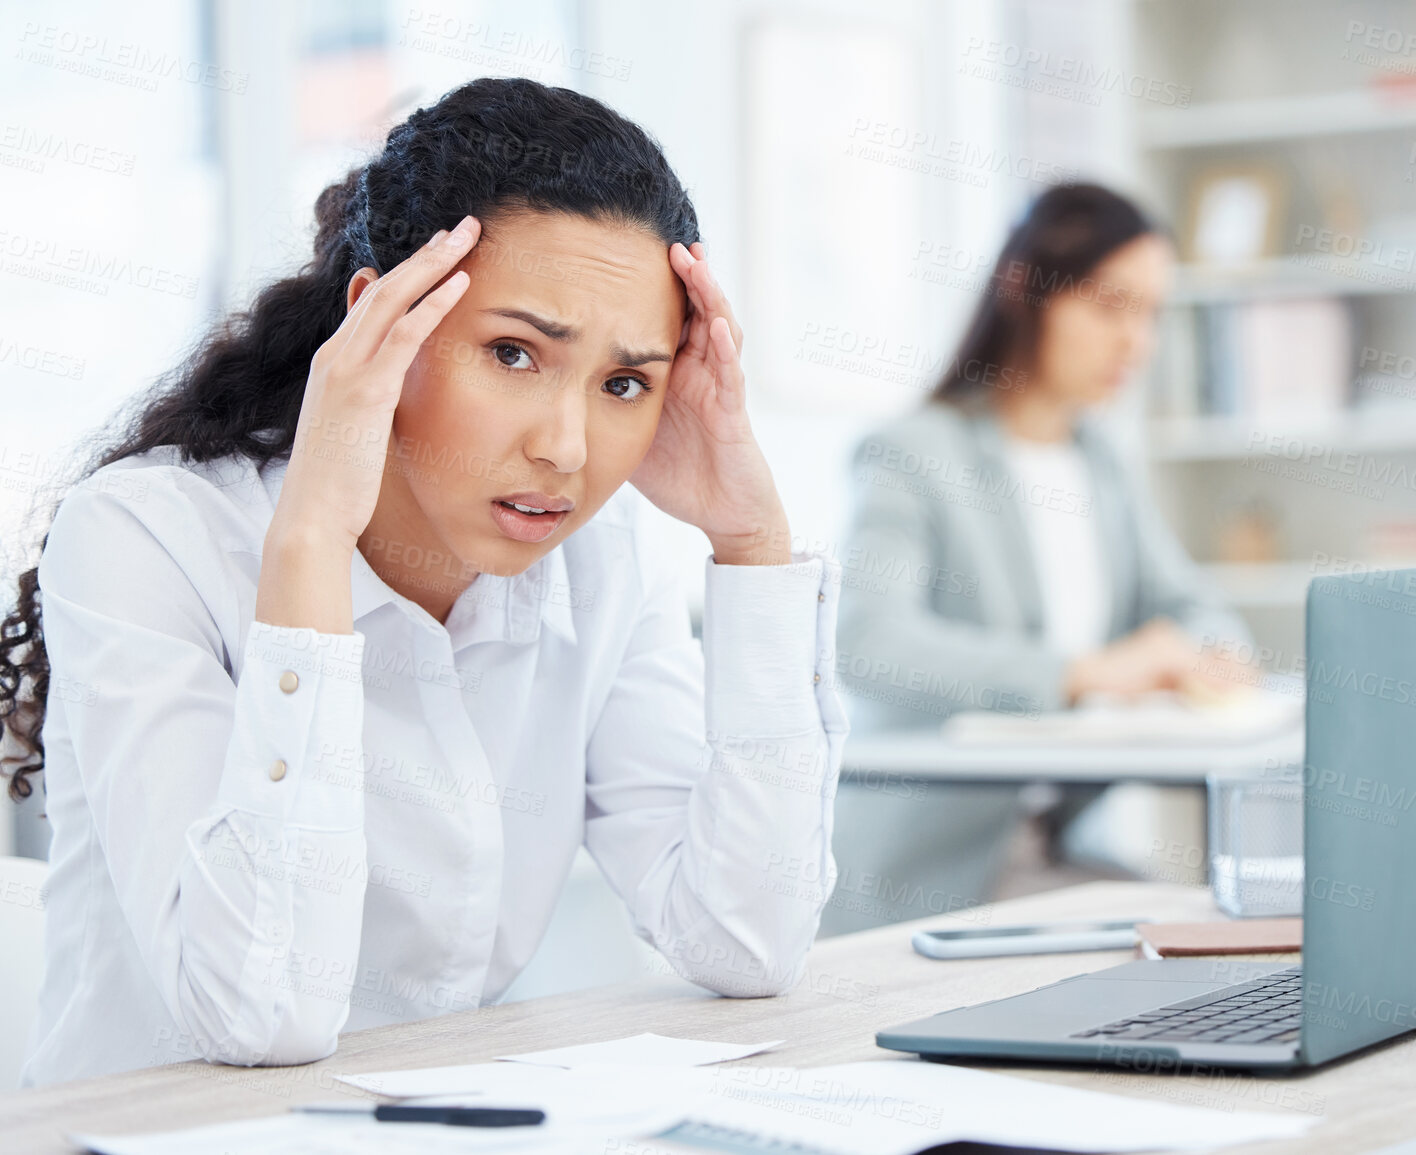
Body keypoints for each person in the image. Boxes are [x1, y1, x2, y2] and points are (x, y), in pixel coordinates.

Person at [0, 78, 847, 1086]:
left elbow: (746, 938)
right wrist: (310, 545)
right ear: (381, 326)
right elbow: (260, 1015)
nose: (567, 448)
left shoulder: (605, 559)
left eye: (625, 383)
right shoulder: (149, 537)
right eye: (513, 353)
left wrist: (751, 543)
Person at [824, 183, 1247, 935]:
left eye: (1150, 314)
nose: (1136, 343)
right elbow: (865, 642)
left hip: (1045, 854)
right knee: (1188, 938)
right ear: (1026, 291)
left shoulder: (1098, 463)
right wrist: (1080, 673)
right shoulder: (912, 453)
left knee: (1215, 928)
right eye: (1109, 306)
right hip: (924, 872)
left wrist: (1209, 653)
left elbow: (1188, 603)